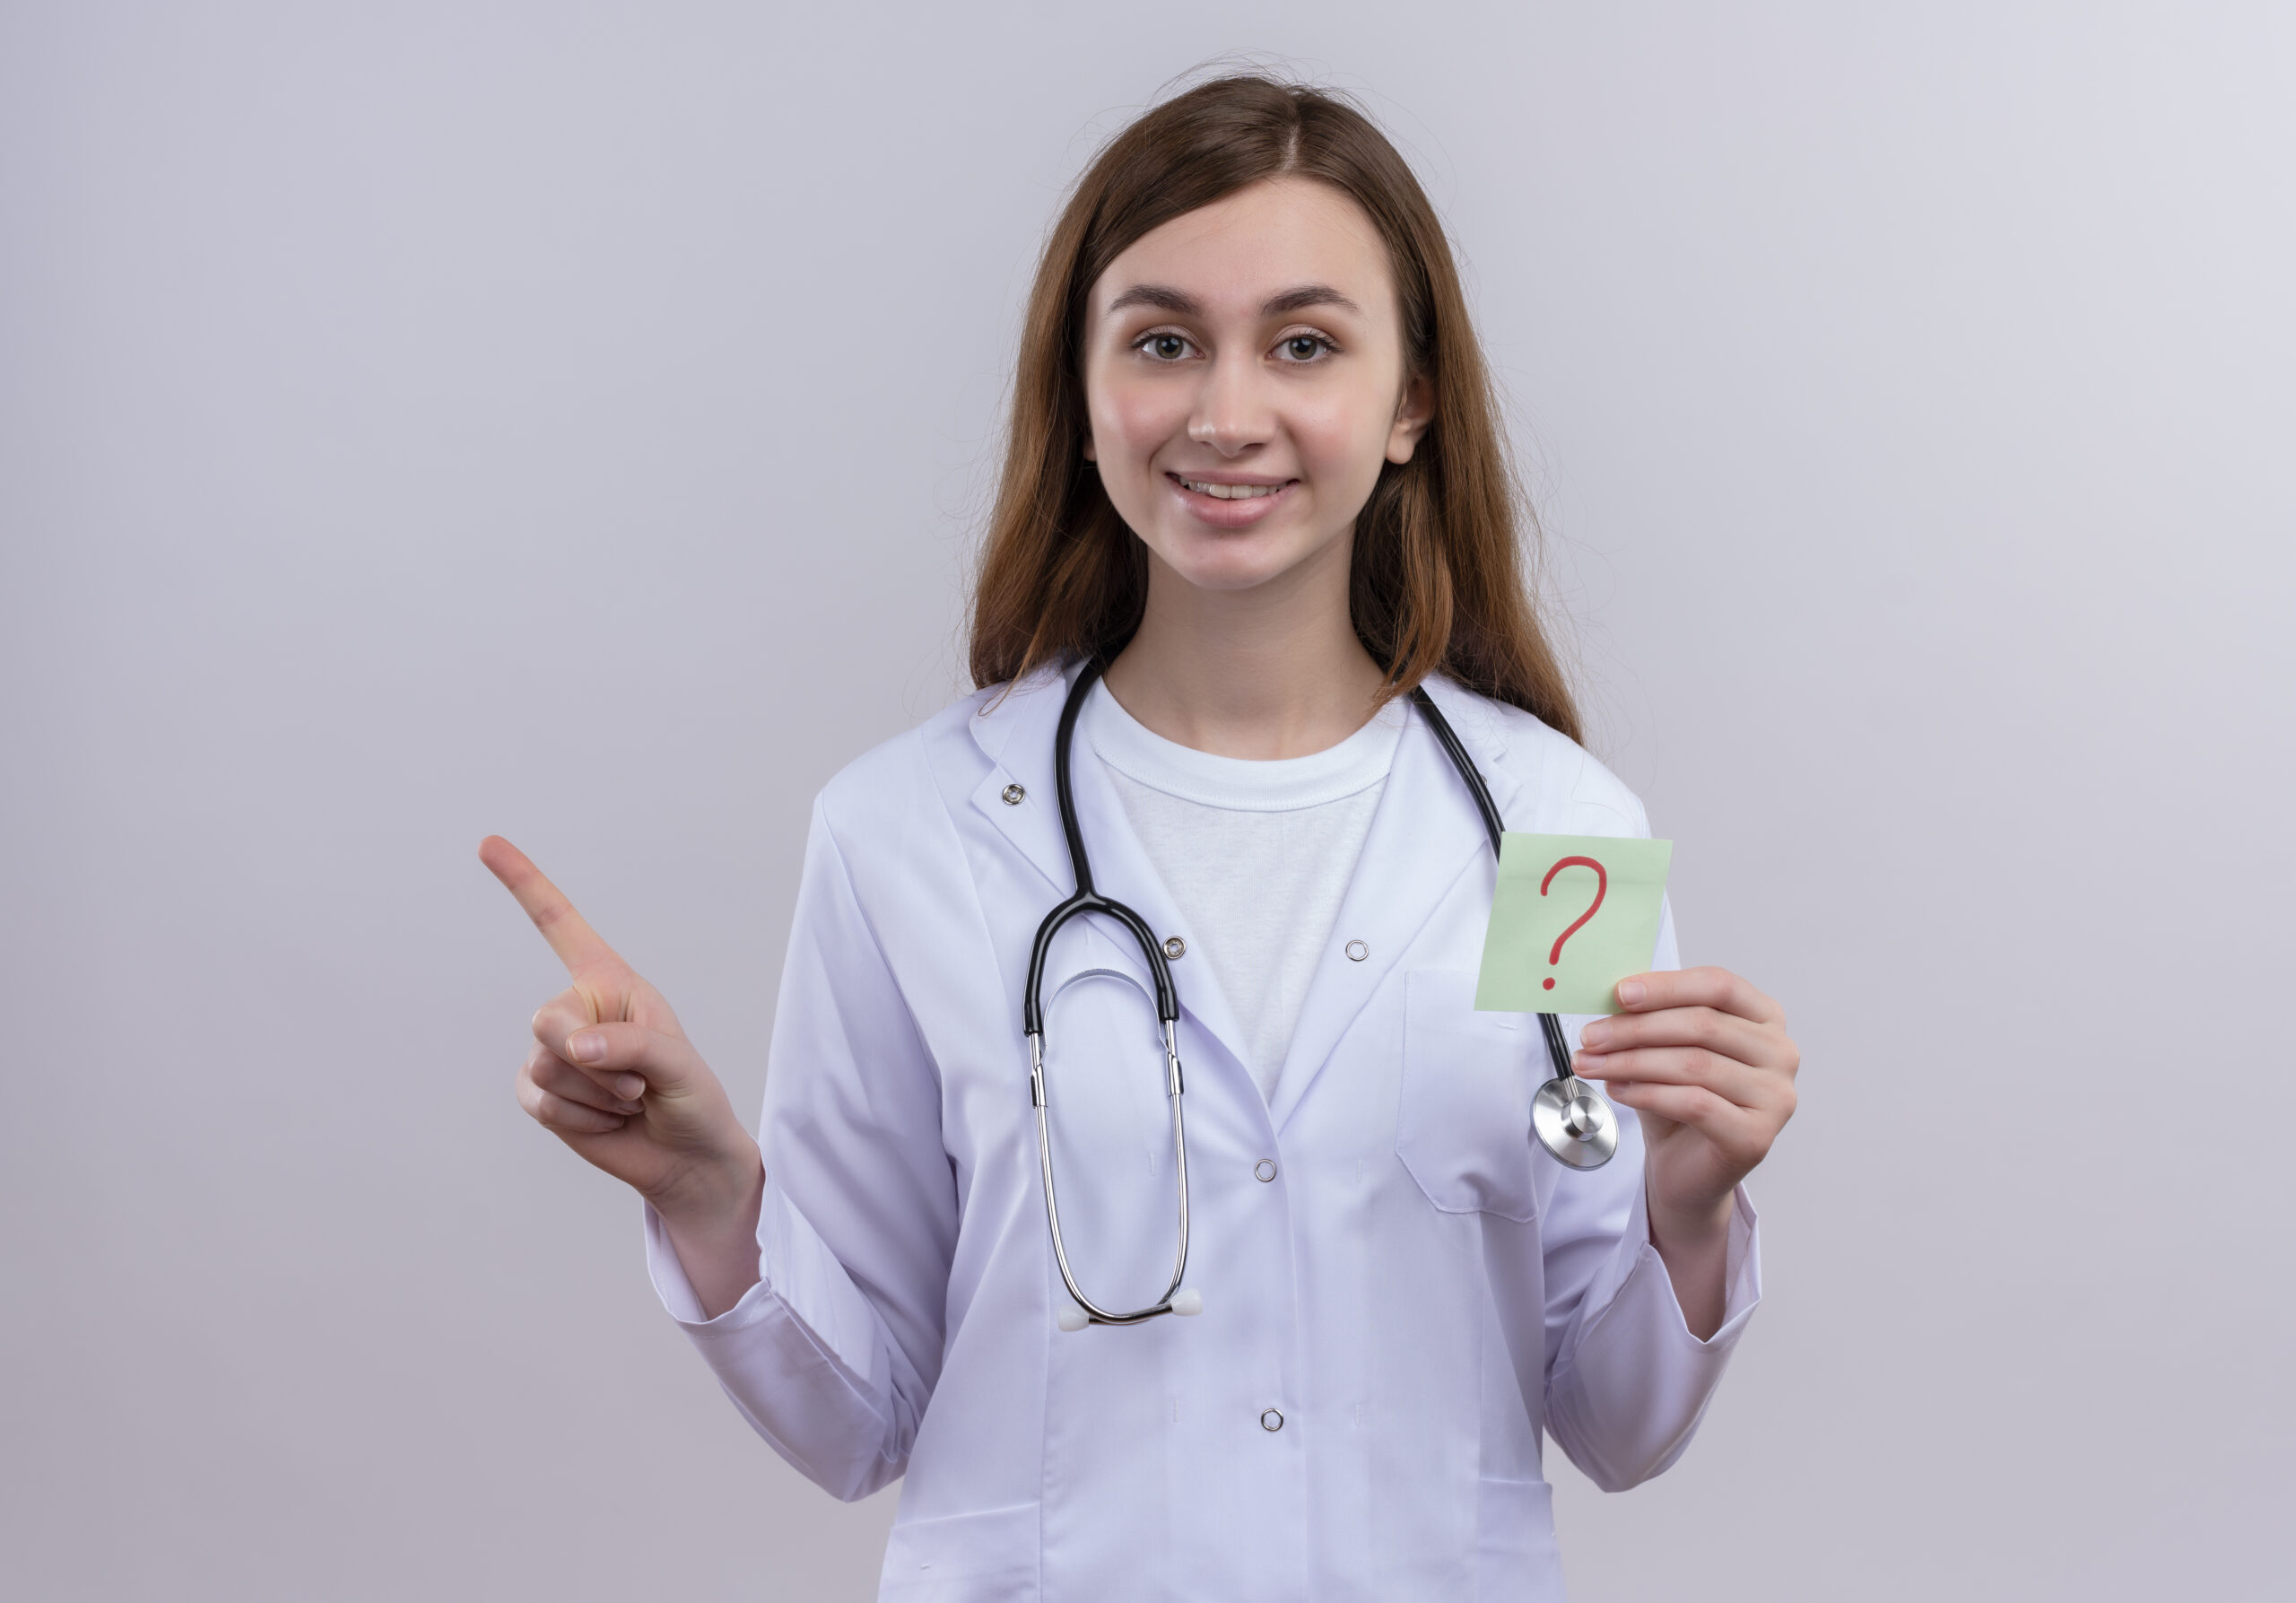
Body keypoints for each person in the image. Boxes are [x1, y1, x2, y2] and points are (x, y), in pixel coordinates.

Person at [481, 74, 1799, 1601]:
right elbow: (858, 1423)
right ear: (1085, 388)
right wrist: (708, 1197)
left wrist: (1688, 1210)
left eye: (1304, 345)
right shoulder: (905, 831)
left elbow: (1618, 1424)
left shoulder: (1556, 833)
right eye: (1163, 341)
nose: (1224, 415)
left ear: (1410, 403)